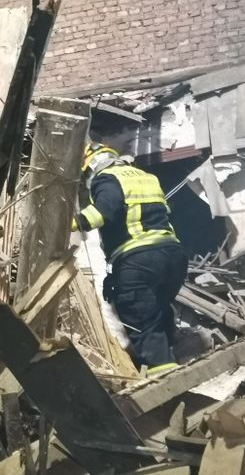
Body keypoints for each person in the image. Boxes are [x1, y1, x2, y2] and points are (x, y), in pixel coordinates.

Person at [74, 143, 188, 375]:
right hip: (173, 256)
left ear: (90, 167)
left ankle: (167, 380)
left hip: (138, 259)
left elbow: (104, 211)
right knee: (158, 310)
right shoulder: (146, 177)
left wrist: (72, 222)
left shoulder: (106, 178)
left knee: (141, 320)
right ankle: (173, 356)